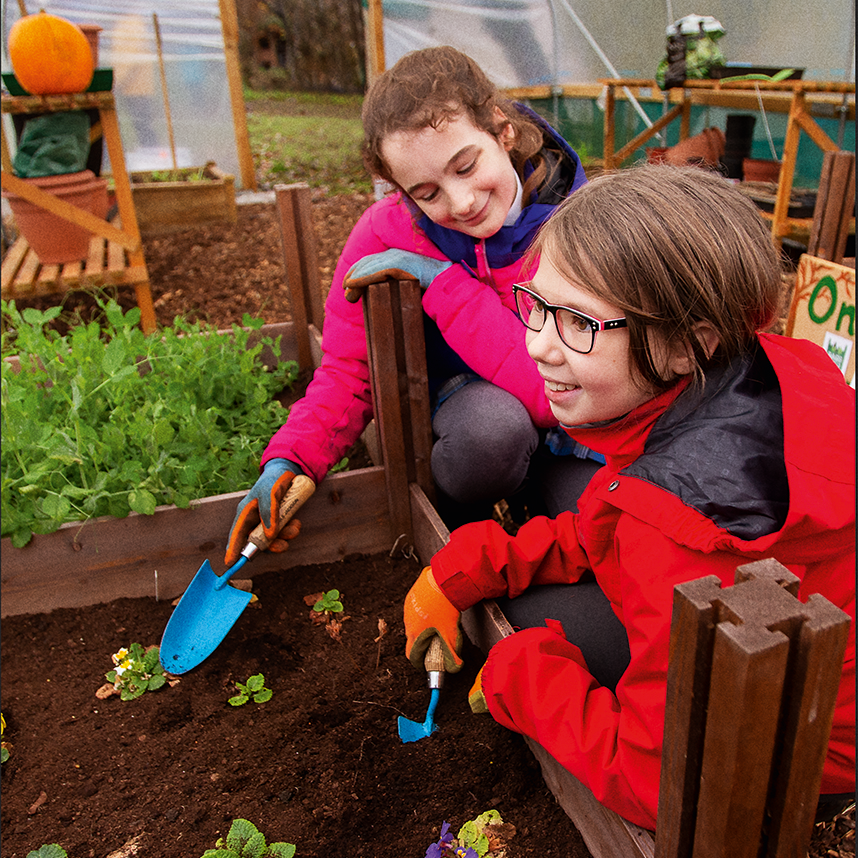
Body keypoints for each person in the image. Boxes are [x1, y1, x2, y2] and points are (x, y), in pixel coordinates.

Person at [403, 165, 856, 829]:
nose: (537, 345)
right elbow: (603, 520)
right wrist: (471, 563)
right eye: (535, 305)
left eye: (579, 323)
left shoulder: (677, 521)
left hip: (804, 763)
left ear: (685, 345)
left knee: (535, 622)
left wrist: (520, 673)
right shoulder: (756, 377)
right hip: (796, 680)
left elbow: (656, 778)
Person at [225, 45, 600, 565]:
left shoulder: (580, 226)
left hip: (575, 417)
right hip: (471, 410)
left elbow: (550, 389)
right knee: (489, 438)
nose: (461, 202)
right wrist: (292, 459)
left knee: (600, 523)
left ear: (501, 129)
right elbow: (351, 366)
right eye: (427, 193)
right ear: (400, 190)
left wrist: (444, 284)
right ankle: (460, 522)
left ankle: (532, 513)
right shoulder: (386, 234)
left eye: (466, 167)